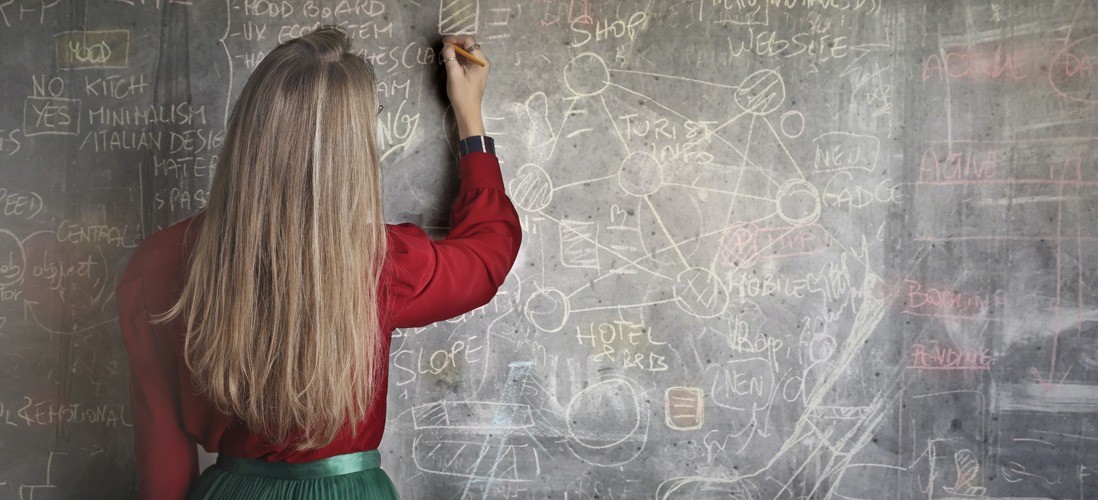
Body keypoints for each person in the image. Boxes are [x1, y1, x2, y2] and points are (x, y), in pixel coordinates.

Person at [116, 26, 521, 499]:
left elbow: (161, 442)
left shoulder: (159, 263)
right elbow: (488, 253)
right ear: (351, 148)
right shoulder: (381, 263)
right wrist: (470, 120)